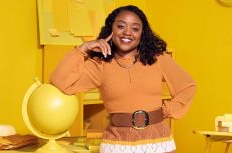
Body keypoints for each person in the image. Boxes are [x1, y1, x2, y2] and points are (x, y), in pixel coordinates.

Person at [50, 5, 195, 153]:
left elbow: (187, 86)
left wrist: (166, 111)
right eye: (121, 26)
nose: (127, 32)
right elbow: (60, 80)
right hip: (117, 143)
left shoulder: (158, 59)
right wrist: (83, 48)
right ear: (110, 29)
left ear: (142, 34)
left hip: (158, 141)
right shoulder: (100, 65)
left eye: (135, 28)